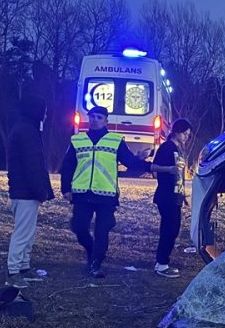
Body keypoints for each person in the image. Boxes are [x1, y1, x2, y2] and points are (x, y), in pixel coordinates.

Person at [59, 105, 174, 278]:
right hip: (82, 193)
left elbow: (131, 163)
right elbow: (68, 166)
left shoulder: (115, 140)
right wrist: (65, 188)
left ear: (106, 120)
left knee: (102, 231)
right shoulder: (77, 140)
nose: (94, 120)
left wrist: (149, 165)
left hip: (106, 194)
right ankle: (91, 251)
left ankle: (96, 264)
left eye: (99, 117)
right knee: (79, 227)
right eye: (92, 117)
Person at [5, 94, 55, 288]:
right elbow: (32, 165)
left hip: (24, 190)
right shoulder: (27, 132)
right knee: (23, 232)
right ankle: (14, 270)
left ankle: (23, 267)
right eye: (44, 111)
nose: (46, 115)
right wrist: (40, 190)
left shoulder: (24, 129)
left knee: (27, 231)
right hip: (26, 191)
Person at [152, 118, 192, 278]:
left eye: (188, 135)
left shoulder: (179, 150)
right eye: (184, 134)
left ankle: (163, 262)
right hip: (166, 195)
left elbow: (180, 175)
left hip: (176, 196)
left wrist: (184, 194)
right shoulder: (166, 147)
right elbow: (153, 167)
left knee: (174, 229)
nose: (186, 137)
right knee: (169, 229)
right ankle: (161, 263)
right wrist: (170, 168)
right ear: (176, 131)